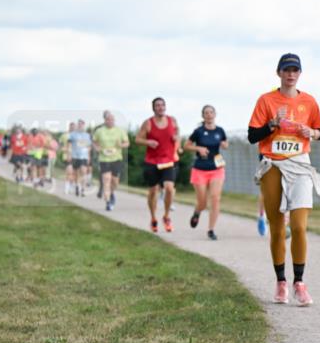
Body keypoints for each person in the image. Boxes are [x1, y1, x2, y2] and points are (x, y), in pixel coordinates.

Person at [247, 53, 320, 306]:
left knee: (300, 226)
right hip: (273, 163)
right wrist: (272, 124)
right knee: (277, 227)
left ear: (300, 74)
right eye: (286, 70)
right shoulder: (266, 100)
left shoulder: (309, 101)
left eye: (295, 70)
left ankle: (299, 283)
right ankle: (281, 281)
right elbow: (252, 135)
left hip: (300, 163)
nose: (290, 74)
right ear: (279, 73)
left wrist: (311, 132)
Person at [136, 97, 181, 232]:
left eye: (162, 105)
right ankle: (153, 218)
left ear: (165, 107)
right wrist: (148, 142)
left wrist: (176, 138)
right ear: (153, 108)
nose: (160, 107)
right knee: (153, 191)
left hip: (169, 160)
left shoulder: (172, 120)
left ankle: (166, 216)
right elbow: (138, 139)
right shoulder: (148, 123)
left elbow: (177, 132)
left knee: (169, 188)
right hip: (152, 161)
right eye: (157, 105)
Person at [184, 105, 228, 240]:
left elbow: (225, 143)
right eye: (206, 113)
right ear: (203, 116)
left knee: (215, 199)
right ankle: (197, 212)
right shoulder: (198, 131)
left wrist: (224, 145)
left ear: (215, 114)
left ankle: (211, 229)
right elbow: (186, 146)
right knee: (202, 202)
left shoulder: (220, 130)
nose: (209, 115)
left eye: (211, 112)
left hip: (216, 169)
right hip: (200, 169)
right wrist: (199, 148)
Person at [93, 111, 129, 211]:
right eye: (108, 120)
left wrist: (120, 145)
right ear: (105, 120)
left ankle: (112, 193)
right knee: (106, 180)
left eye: (112, 120)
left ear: (114, 121)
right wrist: (97, 148)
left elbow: (127, 143)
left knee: (115, 181)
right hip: (104, 159)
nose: (110, 121)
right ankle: (108, 202)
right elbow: (95, 142)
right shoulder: (99, 131)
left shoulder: (120, 131)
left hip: (116, 159)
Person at [68, 119, 93, 197]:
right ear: (77, 125)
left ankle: (83, 189)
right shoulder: (72, 134)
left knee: (83, 171)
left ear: (83, 125)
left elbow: (89, 146)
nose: (80, 126)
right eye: (79, 124)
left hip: (84, 156)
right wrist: (69, 154)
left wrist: (88, 156)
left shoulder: (87, 135)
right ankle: (77, 186)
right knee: (76, 173)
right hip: (75, 156)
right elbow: (69, 145)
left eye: (81, 124)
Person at [60, 122, 75, 194]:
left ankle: (71, 185)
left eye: (74, 127)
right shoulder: (65, 135)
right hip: (67, 156)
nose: (73, 128)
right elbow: (60, 145)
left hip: (76, 156)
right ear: (69, 127)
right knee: (69, 171)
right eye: (71, 127)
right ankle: (66, 188)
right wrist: (64, 149)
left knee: (73, 173)